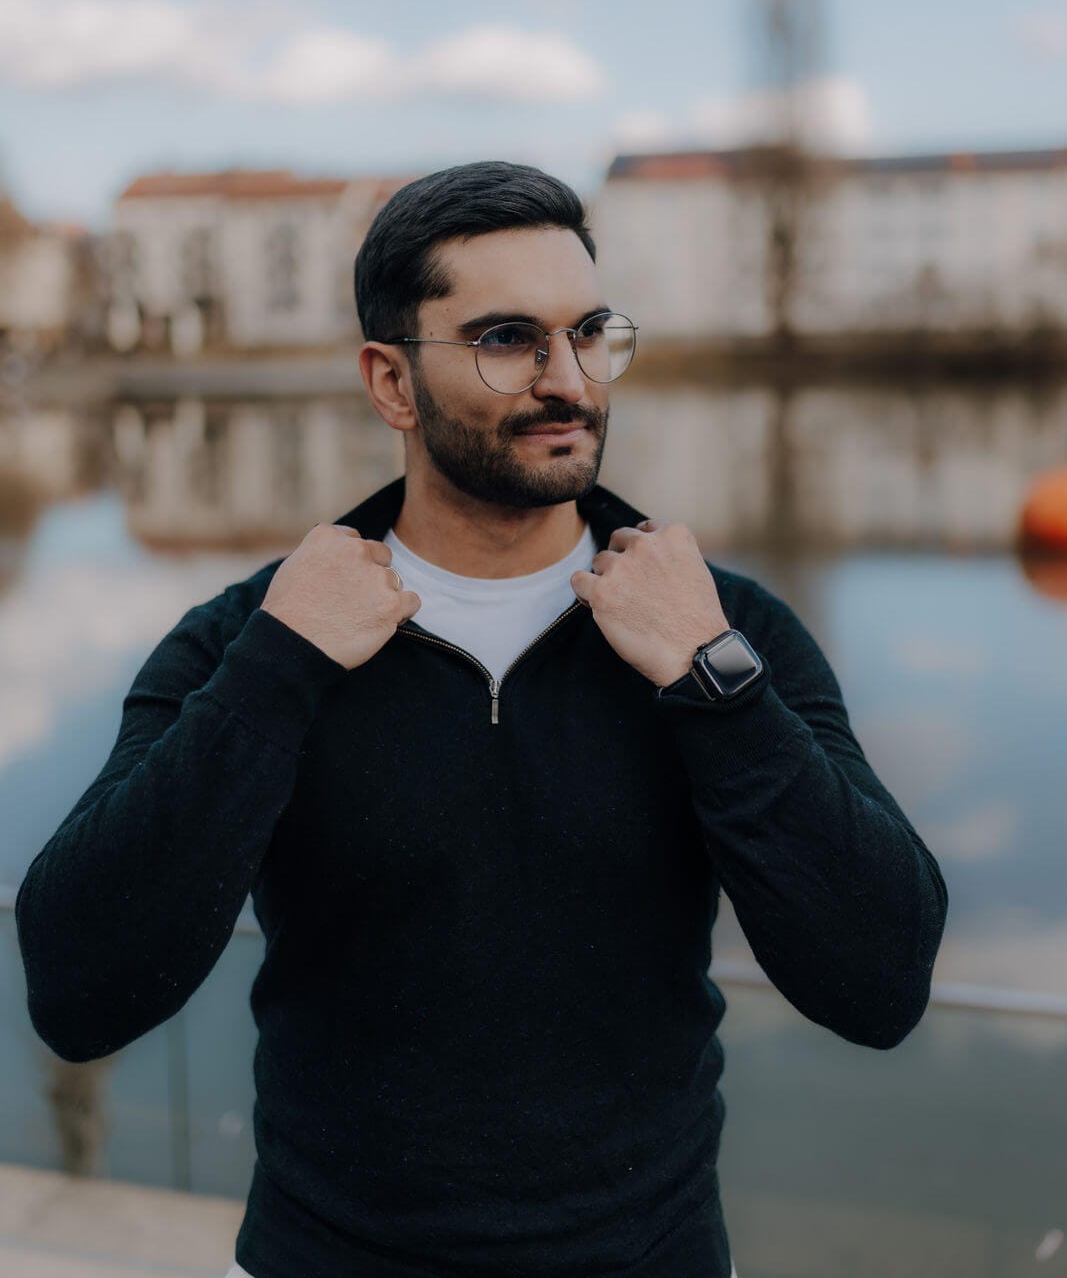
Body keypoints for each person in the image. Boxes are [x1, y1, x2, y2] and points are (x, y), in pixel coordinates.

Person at [16, 160, 947, 1278]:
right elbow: (77, 989)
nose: (569, 380)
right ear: (391, 383)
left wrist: (710, 681)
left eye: (589, 332)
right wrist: (279, 672)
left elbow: (881, 980)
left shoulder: (720, 629)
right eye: (507, 338)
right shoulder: (248, 642)